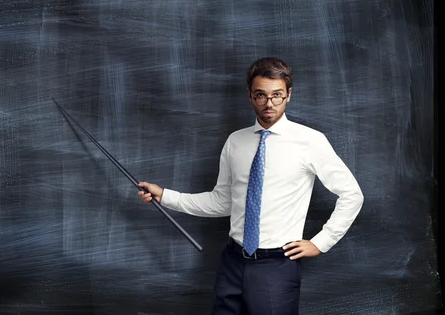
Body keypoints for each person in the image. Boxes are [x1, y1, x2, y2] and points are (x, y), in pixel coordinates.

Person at [137, 57, 364, 315]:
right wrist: (165, 196)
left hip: (277, 266)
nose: (269, 103)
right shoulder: (236, 141)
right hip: (232, 262)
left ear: (289, 94)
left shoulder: (310, 141)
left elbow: (351, 195)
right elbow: (221, 202)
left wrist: (321, 242)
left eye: (277, 95)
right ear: (250, 95)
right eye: (261, 95)